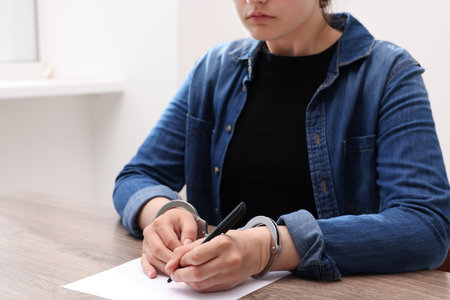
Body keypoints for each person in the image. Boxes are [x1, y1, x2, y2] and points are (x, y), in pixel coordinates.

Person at [113, 0, 450, 292]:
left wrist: (267, 247)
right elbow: (137, 175)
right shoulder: (214, 70)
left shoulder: (388, 74)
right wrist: (163, 212)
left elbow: (427, 225)